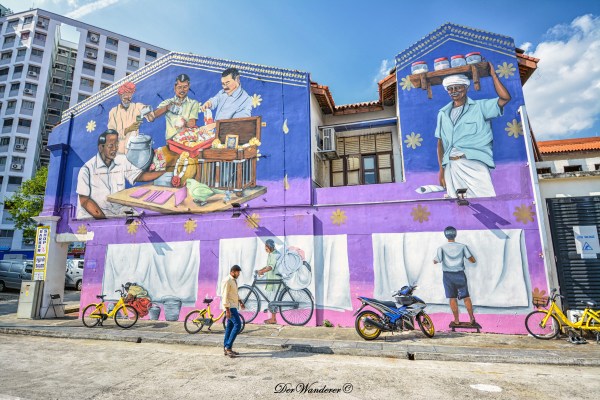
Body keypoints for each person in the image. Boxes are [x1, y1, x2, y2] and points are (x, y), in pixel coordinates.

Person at [435, 62, 511, 198]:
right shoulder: (443, 113)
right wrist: (441, 170)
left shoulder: (480, 107)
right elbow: (440, 143)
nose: (454, 91)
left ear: (466, 88)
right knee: (457, 204)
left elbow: (505, 98)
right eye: (450, 89)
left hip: (474, 164)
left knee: (486, 200)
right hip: (451, 166)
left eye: (458, 87)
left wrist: (493, 75)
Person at [76, 129, 165, 219]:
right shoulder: (86, 170)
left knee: (138, 220)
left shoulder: (122, 160)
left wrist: (165, 173)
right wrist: (105, 221)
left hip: (117, 212)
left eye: (116, 145)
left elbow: (140, 176)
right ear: (101, 148)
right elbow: (85, 201)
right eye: (111, 146)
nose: (115, 149)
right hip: (94, 217)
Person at [433, 226, 477, 326]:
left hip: (448, 276)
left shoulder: (441, 248)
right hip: (460, 274)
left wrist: (434, 260)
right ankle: (471, 318)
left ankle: (456, 320)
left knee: (452, 298)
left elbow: (437, 260)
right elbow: (472, 260)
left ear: (445, 235)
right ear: (455, 234)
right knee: (466, 297)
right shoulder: (463, 246)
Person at [199, 68, 252, 134]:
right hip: (215, 133)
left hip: (230, 135)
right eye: (223, 84)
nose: (225, 87)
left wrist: (214, 125)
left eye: (227, 83)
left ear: (237, 79)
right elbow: (216, 99)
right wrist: (209, 103)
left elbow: (238, 123)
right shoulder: (223, 92)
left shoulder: (246, 99)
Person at [107, 82, 155, 154]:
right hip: (118, 152)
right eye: (125, 98)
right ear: (120, 96)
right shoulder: (113, 112)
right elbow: (111, 134)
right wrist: (128, 129)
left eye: (129, 98)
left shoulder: (136, 107)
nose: (127, 101)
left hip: (133, 150)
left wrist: (148, 111)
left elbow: (151, 118)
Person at [154, 74, 201, 140]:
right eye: (179, 87)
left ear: (189, 87)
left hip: (186, 139)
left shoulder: (193, 103)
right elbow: (153, 115)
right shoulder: (168, 102)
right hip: (171, 141)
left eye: (185, 87)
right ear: (175, 87)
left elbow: (192, 123)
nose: (182, 90)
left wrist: (184, 123)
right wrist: (167, 107)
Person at [221, 264, 245, 358]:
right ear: (232, 272)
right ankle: (228, 347)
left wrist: (240, 302)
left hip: (233, 306)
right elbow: (225, 295)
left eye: (239, 272)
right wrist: (227, 309)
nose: (238, 274)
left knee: (229, 327)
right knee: (238, 325)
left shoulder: (233, 280)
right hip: (229, 307)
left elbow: (234, 294)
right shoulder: (227, 280)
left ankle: (227, 348)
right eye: (237, 272)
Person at [256, 239, 280, 324]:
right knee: (272, 299)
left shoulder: (275, 255)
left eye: (266, 247)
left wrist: (262, 271)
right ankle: (272, 317)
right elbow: (267, 266)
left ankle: (273, 319)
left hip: (274, 281)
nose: (265, 249)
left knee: (273, 300)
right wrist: (261, 270)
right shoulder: (271, 254)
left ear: (269, 246)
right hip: (271, 280)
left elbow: (271, 267)